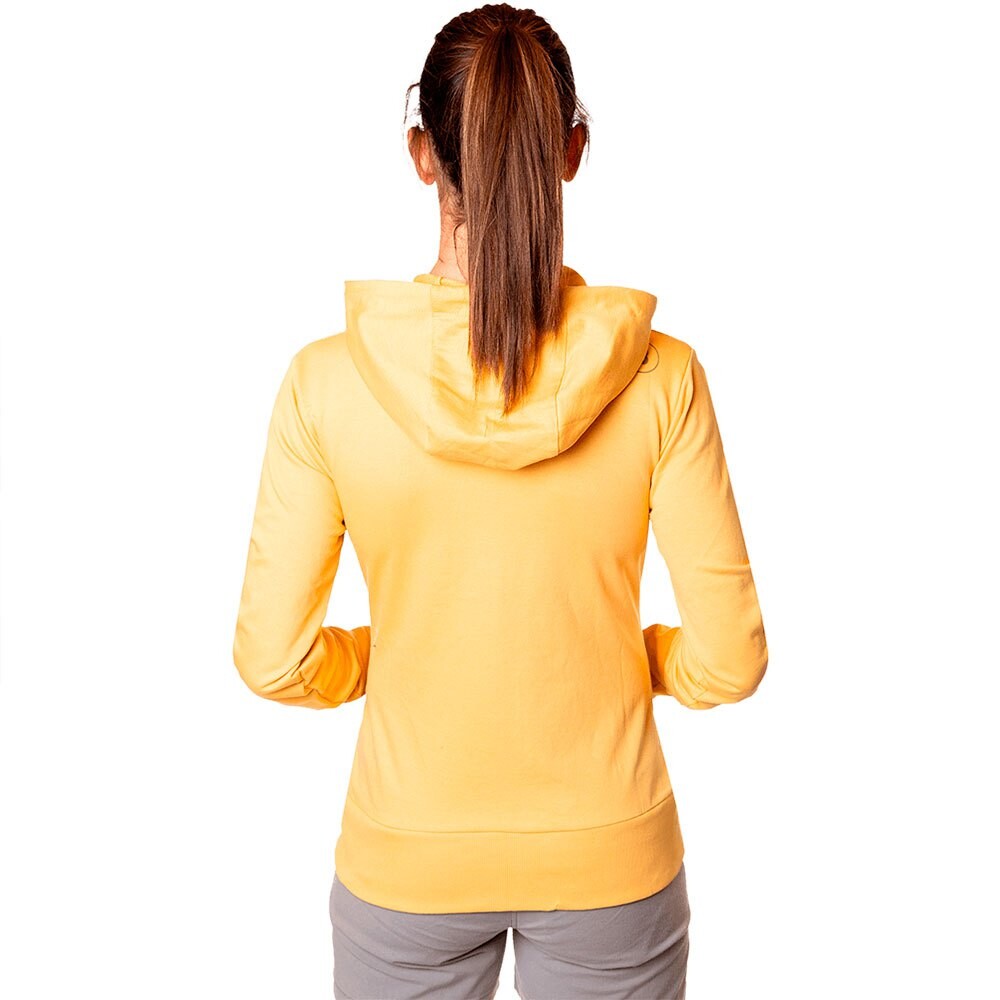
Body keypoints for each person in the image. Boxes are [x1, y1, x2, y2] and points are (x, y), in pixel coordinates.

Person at [232, 3, 768, 997]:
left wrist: (396, 653)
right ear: (570, 152)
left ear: (422, 155)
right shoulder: (660, 376)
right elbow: (731, 661)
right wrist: (629, 657)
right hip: (612, 857)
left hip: (406, 859)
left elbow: (274, 660)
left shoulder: (327, 384)